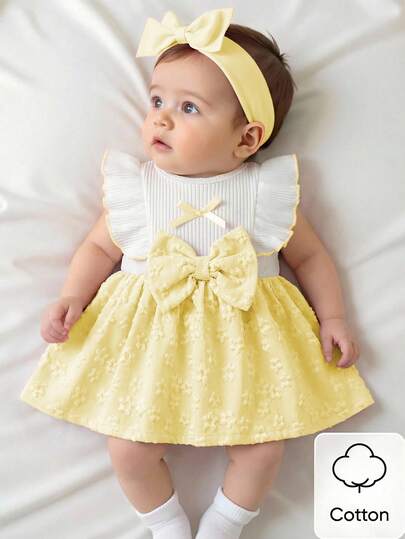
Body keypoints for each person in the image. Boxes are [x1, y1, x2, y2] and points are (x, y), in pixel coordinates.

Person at [19, 8, 375, 539]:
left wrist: (335, 317)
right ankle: (165, 525)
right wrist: (72, 297)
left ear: (247, 139)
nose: (161, 119)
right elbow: (98, 247)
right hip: (150, 341)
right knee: (129, 448)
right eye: (157, 101)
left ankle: (224, 525)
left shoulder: (265, 192)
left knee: (263, 450)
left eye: (188, 108)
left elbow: (310, 258)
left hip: (244, 342)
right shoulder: (138, 189)